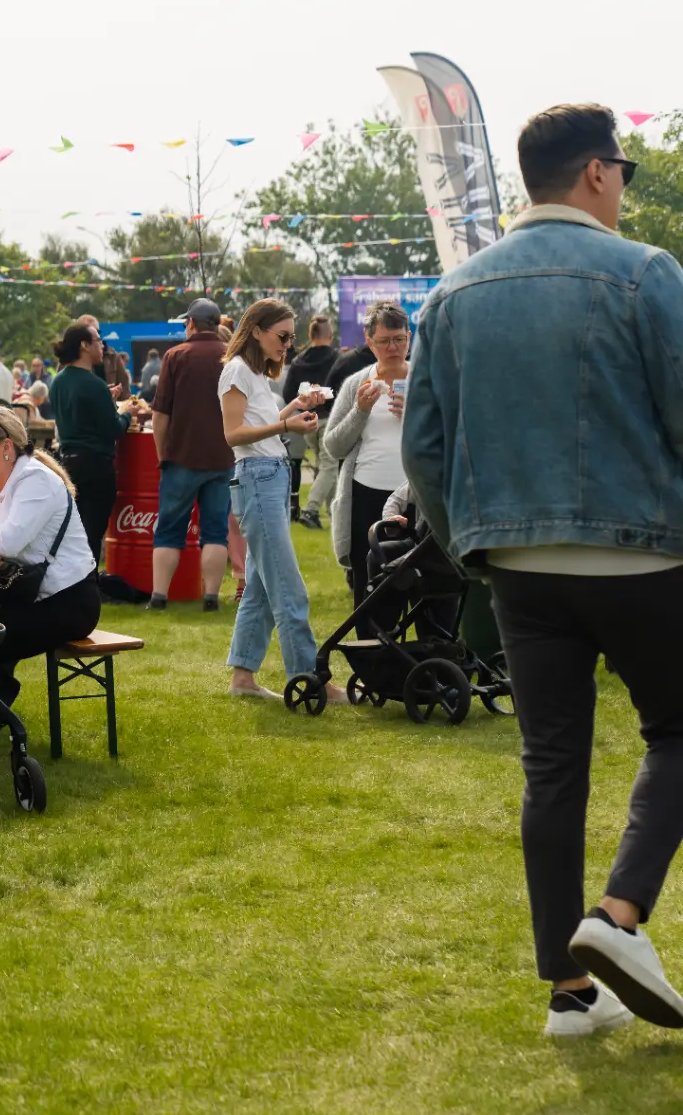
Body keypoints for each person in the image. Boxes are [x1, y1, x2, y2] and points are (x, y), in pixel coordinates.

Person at [405, 102, 683, 1036]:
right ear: (598, 172)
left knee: (552, 767)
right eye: (622, 172)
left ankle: (570, 992)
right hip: (643, 549)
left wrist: (474, 543)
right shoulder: (645, 272)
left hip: (517, 561)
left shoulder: (451, 295)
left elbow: (425, 450)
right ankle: (618, 917)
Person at [218, 299, 337, 703]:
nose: (288, 345)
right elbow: (233, 435)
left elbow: (260, 426)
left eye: (291, 337)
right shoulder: (237, 370)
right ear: (256, 330)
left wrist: (295, 409)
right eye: (282, 336)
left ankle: (243, 678)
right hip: (258, 479)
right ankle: (310, 678)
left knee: (260, 588)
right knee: (288, 588)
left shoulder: (252, 372)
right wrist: (286, 423)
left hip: (269, 476)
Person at [0, 405, 100, 700]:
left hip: (67, 604)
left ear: (6, 447)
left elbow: (7, 542)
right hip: (22, 598)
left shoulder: (36, 480)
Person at [318, 301, 412, 637]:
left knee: (427, 586)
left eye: (399, 339)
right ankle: (372, 661)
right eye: (385, 341)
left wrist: (416, 415)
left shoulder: (426, 380)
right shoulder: (357, 383)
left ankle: (428, 662)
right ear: (369, 342)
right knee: (371, 588)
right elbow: (333, 446)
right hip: (367, 497)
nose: (393, 348)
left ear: (409, 337)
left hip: (418, 499)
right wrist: (359, 411)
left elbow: (455, 437)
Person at [146, 299, 233, 611]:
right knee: (216, 532)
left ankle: (159, 597)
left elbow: (160, 415)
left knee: (169, 531)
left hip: (181, 457)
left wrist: (162, 455)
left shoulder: (175, 356)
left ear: (192, 324)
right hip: (223, 457)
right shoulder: (232, 357)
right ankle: (211, 598)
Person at [47, 320, 139, 567]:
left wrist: (104, 399)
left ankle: (70, 580)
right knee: (92, 532)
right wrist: (127, 412)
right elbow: (114, 429)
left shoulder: (59, 381)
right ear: (85, 346)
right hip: (96, 466)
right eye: (98, 341)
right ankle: (89, 581)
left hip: (67, 463)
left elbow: (79, 411)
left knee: (73, 532)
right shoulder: (93, 384)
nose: (103, 346)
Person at [283, 314, 341, 528]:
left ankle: (333, 513)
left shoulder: (298, 361)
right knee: (330, 466)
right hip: (330, 419)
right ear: (330, 335)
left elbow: (288, 392)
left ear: (310, 335)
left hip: (308, 421)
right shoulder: (337, 359)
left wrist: (305, 400)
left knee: (325, 466)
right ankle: (311, 510)